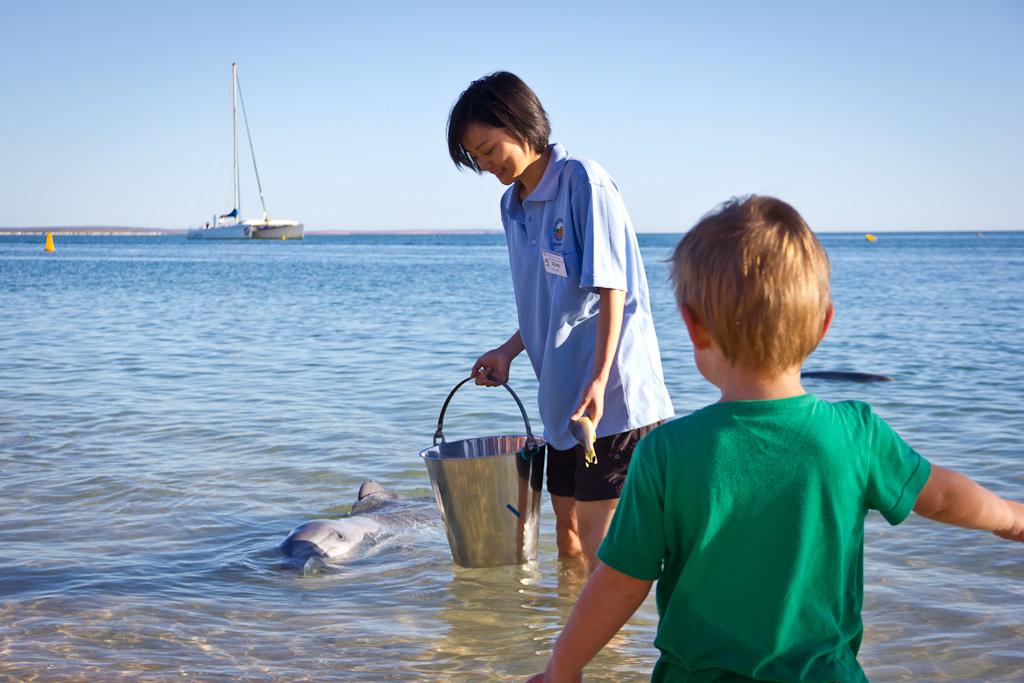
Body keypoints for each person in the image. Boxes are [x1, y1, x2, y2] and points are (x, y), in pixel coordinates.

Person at [528, 195, 1024, 682]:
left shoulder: (665, 452)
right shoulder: (855, 435)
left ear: (694, 328)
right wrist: (1008, 517)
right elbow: (940, 496)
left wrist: (562, 670)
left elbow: (619, 583)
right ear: (825, 324)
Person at [446, 71, 675, 573]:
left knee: (603, 549)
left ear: (521, 124)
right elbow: (548, 302)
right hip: (562, 404)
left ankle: (614, 655)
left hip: (611, 403)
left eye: (488, 149)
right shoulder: (513, 205)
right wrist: (509, 351)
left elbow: (613, 289)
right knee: (566, 536)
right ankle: (571, 643)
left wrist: (597, 380)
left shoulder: (583, 182)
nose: (485, 165)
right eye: (475, 158)